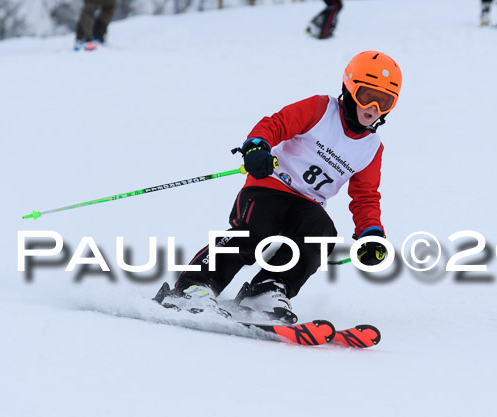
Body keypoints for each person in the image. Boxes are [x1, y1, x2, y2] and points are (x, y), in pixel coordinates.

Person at [157, 51, 402, 318]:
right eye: (368, 96)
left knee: (322, 233)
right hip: (270, 185)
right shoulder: (321, 109)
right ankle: (194, 287)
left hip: (308, 204)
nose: (373, 108)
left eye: (385, 101)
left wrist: (370, 233)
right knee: (256, 229)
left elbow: (365, 196)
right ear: (350, 88)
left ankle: (265, 290)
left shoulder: (371, 149)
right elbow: (276, 124)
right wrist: (256, 148)